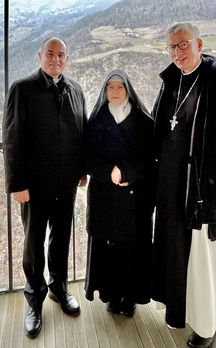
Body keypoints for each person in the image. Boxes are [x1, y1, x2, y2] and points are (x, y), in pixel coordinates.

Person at [151, 22, 216, 348]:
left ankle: (209, 324)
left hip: (206, 191)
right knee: (181, 258)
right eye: (171, 47)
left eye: (183, 45)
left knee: (206, 262)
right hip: (173, 188)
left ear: (199, 43)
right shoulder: (171, 82)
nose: (177, 52)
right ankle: (183, 312)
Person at [2, 37, 87, 338]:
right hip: (34, 187)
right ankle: (34, 300)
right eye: (50, 54)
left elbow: (81, 133)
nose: (55, 59)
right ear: (40, 56)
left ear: (68, 58)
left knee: (61, 239)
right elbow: (12, 140)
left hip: (66, 185)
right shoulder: (22, 89)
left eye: (61, 55)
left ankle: (59, 289)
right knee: (33, 244)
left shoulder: (76, 90)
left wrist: (83, 172)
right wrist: (16, 184)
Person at [84, 69, 154, 316]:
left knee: (131, 250)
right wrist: (109, 172)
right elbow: (87, 158)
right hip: (105, 196)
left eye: (120, 87)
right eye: (110, 87)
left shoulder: (144, 122)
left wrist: (125, 171)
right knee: (109, 250)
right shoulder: (96, 121)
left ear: (128, 90)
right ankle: (112, 294)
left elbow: (150, 157)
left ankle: (131, 297)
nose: (114, 91)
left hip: (135, 197)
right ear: (105, 91)